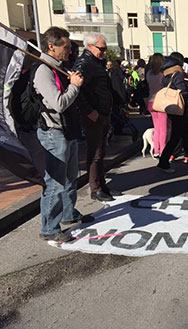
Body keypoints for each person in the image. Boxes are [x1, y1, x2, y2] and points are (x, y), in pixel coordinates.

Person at [34, 27, 93, 242]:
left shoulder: (57, 67)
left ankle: (68, 213)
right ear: (51, 46)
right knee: (55, 182)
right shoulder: (43, 71)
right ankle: (49, 228)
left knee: (70, 178)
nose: (69, 52)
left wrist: (72, 82)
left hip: (67, 130)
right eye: (66, 47)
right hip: (53, 132)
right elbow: (58, 103)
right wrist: (74, 87)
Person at [73, 32, 122, 202]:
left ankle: (101, 184)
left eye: (105, 48)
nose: (104, 51)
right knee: (95, 152)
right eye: (101, 48)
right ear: (90, 47)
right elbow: (77, 91)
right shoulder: (84, 63)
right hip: (94, 114)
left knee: (101, 151)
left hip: (103, 112)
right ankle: (95, 188)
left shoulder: (96, 62)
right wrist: (89, 111)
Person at [156, 54, 188, 172]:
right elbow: (183, 92)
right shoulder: (177, 74)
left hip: (171, 109)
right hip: (180, 109)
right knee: (178, 137)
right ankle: (164, 163)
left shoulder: (165, 74)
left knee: (183, 137)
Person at [147, 53, 167, 157]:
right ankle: (163, 151)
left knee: (157, 128)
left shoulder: (149, 73)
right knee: (163, 129)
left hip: (151, 101)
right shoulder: (162, 74)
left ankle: (156, 151)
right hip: (161, 102)